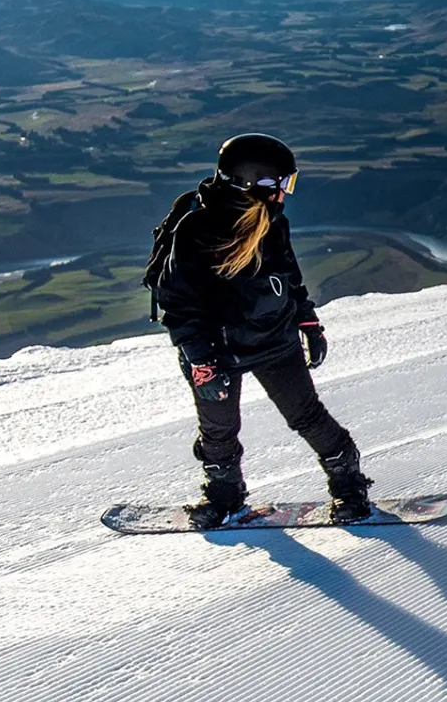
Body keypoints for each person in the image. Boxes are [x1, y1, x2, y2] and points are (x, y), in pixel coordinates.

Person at [153, 133, 374, 528]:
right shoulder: (196, 230)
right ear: (251, 183)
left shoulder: (273, 222)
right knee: (218, 430)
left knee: (306, 416)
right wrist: (199, 358)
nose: (285, 194)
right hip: (215, 352)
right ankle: (224, 496)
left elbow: (288, 277)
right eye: (280, 184)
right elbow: (177, 302)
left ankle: (349, 486)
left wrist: (307, 320)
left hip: (274, 339)